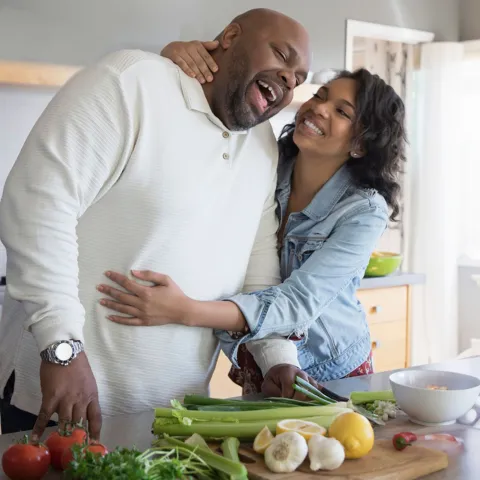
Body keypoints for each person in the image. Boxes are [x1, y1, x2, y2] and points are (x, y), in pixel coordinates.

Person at [0, 9, 312, 437]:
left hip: (176, 418)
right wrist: (62, 349)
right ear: (230, 36)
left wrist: (276, 356)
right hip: (56, 399)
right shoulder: (131, 83)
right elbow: (37, 204)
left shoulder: (262, 145)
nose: (288, 80)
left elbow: (257, 270)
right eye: (281, 54)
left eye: (298, 77)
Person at [97, 41, 407, 395]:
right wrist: (178, 59)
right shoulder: (264, 162)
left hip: (330, 367)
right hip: (259, 356)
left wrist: (185, 311)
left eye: (342, 112)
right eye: (320, 96)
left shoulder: (364, 211)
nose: (319, 109)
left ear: (361, 144)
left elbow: (295, 303)